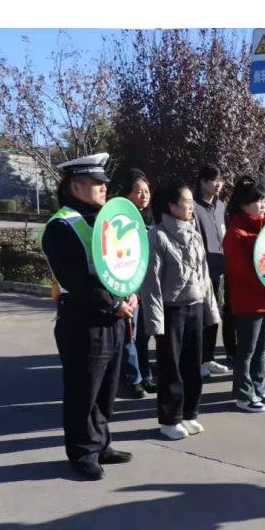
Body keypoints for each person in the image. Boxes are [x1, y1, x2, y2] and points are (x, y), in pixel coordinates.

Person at [38, 152, 134, 481]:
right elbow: (76, 279)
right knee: (83, 390)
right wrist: (114, 303)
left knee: (106, 389)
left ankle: (101, 442)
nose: (105, 188)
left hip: (114, 317)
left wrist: (129, 292)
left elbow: (123, 266)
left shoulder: (105, 221)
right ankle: (81, 452)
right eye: (98, 183)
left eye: (105, 183)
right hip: (83, 320)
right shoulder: (61, 226)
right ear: (76, 185)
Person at [141, 182, 219, 440]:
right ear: (172, 207)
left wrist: (210, 310)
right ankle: (169, 419)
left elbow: (204, 277)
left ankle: (189, 414)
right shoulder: (157, 236)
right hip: (170, 311)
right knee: (170, 368)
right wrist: (155, 322)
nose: (191, 207)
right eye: (186, 202)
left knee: (192, 366)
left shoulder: (194, 234)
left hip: (195, 307)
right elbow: (151, 283)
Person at [223, 180, 265, 412]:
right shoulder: (235, 232)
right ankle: (243, 394)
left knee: (261, 349)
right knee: (246, 350)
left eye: (264, 200)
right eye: (257, 200)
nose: (262, 204)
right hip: (249, 301)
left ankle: (259, 389)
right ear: (243, 204)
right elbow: (243, 273)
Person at [116, 168, 157, 400]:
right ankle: (133, 379)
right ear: (127, 193)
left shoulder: (150, 218)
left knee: (143, 335)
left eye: (147, 191)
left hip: (147, 285)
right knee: (129, 336)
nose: (144, 196)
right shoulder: (121, 218)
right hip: (129, 286)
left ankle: (146, 374)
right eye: (139, 191)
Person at [193, 164, 229, 377]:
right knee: (200, 317)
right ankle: (196, 361)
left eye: (221, 180)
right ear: (203, 182)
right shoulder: (194, 207)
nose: (218, 184)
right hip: (200, 272)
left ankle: (208, 359)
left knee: (214, 315)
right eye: (214, 180)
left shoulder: (220, 207)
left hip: (218, 269)